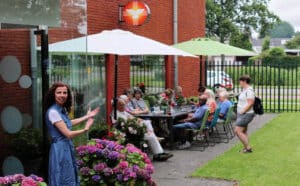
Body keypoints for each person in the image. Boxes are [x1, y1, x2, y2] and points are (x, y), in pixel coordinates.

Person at [44, 82, 100, 186]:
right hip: (60, 149)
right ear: (53, 94)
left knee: (69, 175)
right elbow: (68, 134)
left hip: (66, 147)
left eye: (65, 93)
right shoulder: (53, 112)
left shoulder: (61, 109)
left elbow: (68, 123)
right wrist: (85, 129)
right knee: (63, 176)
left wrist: (87, 116)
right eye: (59, 92)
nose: (62, 95)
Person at [235, 75, 255, 153]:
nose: (239, 83)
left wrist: (243, 111)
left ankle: (248, 148)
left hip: (246, 114)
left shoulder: (249, 91)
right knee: (243, 131)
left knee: (237, 131)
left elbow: (250, 103)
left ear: (244, 81)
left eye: (240, 81)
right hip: (242, 113)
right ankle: (246, 148)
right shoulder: (244, 90)